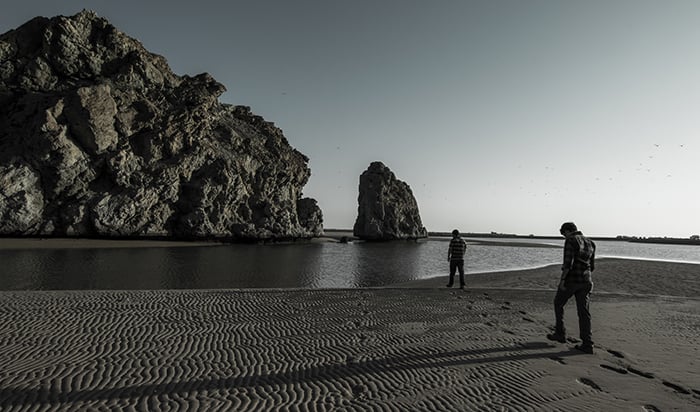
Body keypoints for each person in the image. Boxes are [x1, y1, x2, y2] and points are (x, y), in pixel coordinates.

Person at [547, 222, 596, 354]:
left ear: (568, 231)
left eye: (563, 234)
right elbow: (592, 266)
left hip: (572, 280)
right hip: (586, 281)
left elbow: (568, 263)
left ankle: (560, 333)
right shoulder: (591, 242)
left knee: (558, 303)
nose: (564, 237)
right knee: (584, 312)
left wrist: (562, 280)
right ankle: (587, 343)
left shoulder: (571, 240)